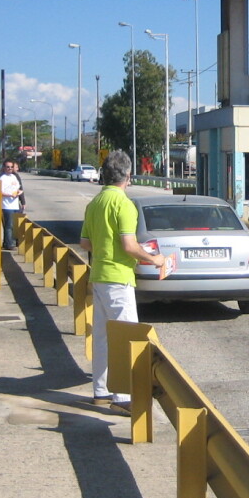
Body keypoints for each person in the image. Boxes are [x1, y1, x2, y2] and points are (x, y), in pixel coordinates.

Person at [79, 150, 165, 416]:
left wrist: (106, 246)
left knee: (103, 337)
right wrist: (155, 259)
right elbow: (130, 246)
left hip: (100, 276)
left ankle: (101, 391)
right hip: (119, 278)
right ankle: (125, 396)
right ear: (128, 175)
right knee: (127, 338)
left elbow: (84, 242)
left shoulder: (95, 203)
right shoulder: (123, 204)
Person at [0, 159, 23, 250]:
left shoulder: (14, 177)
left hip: (15, 205)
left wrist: (19, 193)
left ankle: (10, 242)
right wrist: (9, 195)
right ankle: (9, 244)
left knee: (15, 225)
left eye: (11, 167)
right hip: (6, 205)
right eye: (8, 167)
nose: (9, 168)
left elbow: (17, 188)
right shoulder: (2, 178)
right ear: (4, 168)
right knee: (9, 225)